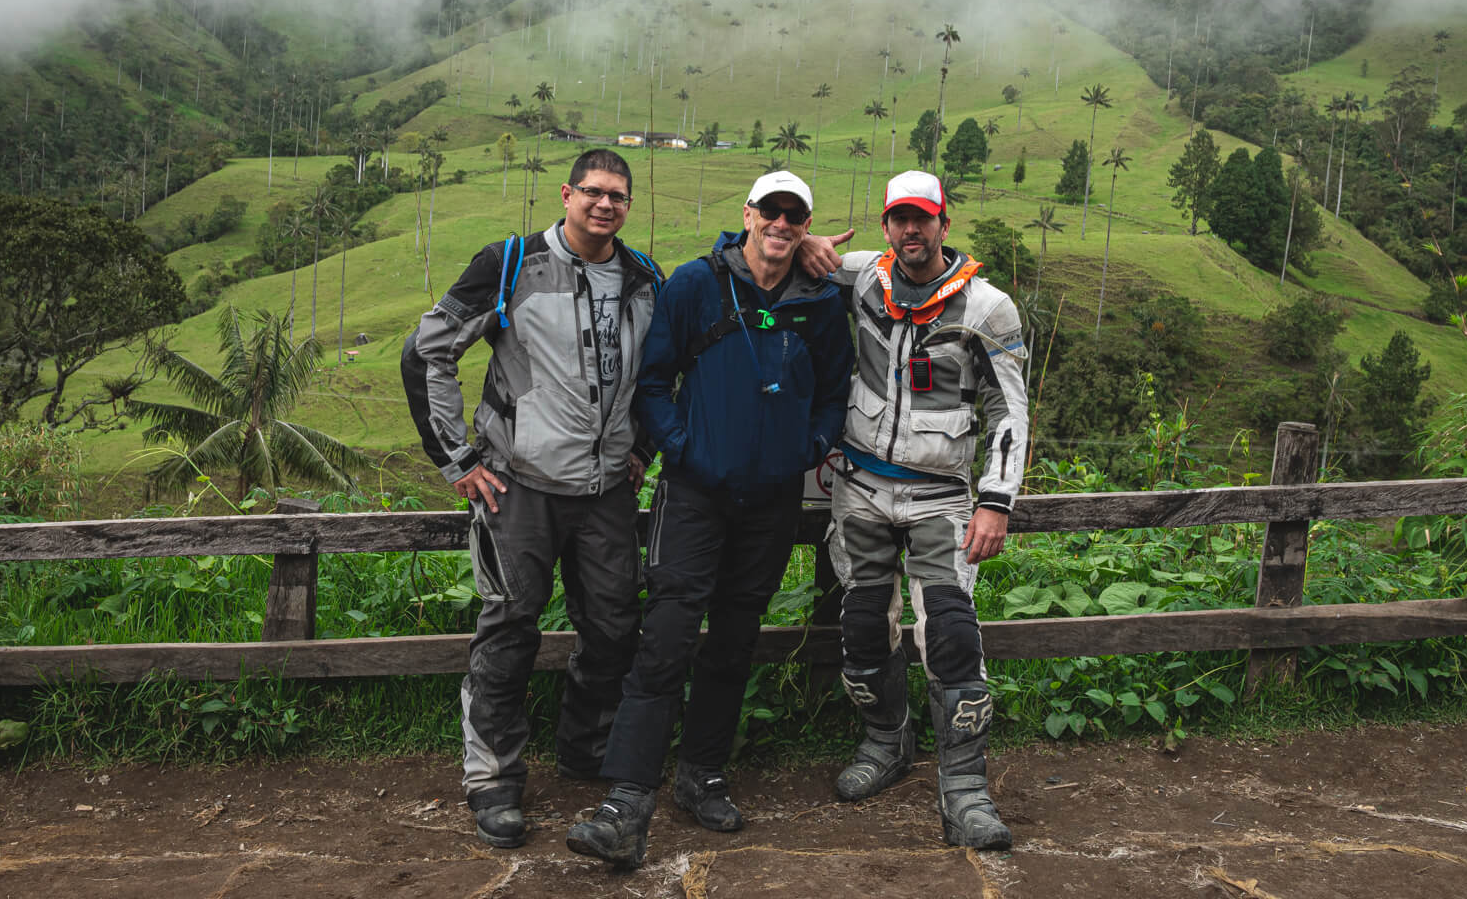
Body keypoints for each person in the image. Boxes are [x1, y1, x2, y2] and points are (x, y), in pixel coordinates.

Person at [565, 170, 854, 870]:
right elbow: (653, 380)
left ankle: (702, 773)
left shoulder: (820, 300)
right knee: (665, 634)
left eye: (796, 215)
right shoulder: (697, 284)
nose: (782, 224)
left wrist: (808, 446)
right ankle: (625, 800)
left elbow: (835, 389)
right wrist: (680, 448)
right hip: (695, 493)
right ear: (748, 214)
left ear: (804, 223)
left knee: (735, 635)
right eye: (772, 211)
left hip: (773, 498)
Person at [400, 148, 664, 849]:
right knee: (511, 626)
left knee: (612, 627)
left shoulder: (644, 279)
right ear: (567, 194)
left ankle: (585, 748)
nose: (604, 204)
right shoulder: (510, 263)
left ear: (628, 206)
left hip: (607, 490)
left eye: (618, 195)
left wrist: (641, 450)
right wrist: (456, 459)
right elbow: (426, 350)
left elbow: (662, 373)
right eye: (593, 192)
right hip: (518, 486)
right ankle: (493, 776)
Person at [821, 169, 1028, 850]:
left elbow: (1008, 410)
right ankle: (887, 740)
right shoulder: (860, 279)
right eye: (900, 219)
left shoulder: (988, 308)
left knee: (950, 635)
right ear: (885, 225)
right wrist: (809, 245)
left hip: (941, 495)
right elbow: (782, 250)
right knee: (859, 627)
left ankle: (965, 789)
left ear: (945, 222)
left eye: (924, 219)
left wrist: (996, 501)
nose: (912, 230)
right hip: (860, 487)